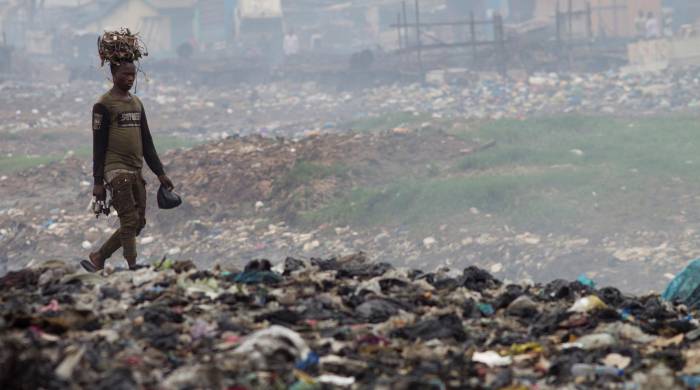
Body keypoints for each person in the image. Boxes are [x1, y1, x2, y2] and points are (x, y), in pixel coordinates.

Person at [81, 60, 174, 272]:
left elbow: (147, 142)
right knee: (129, 219)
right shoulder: (104, 105)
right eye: (125, 74)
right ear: (114, 73)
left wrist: (160, 173)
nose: (130, 79)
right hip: (115, 170)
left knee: (138, 222)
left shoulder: (136, 103)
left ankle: (99, 256)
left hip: (135, 169)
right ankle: (132, 265)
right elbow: (99, 144)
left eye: (133, 75)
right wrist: (98, 182)